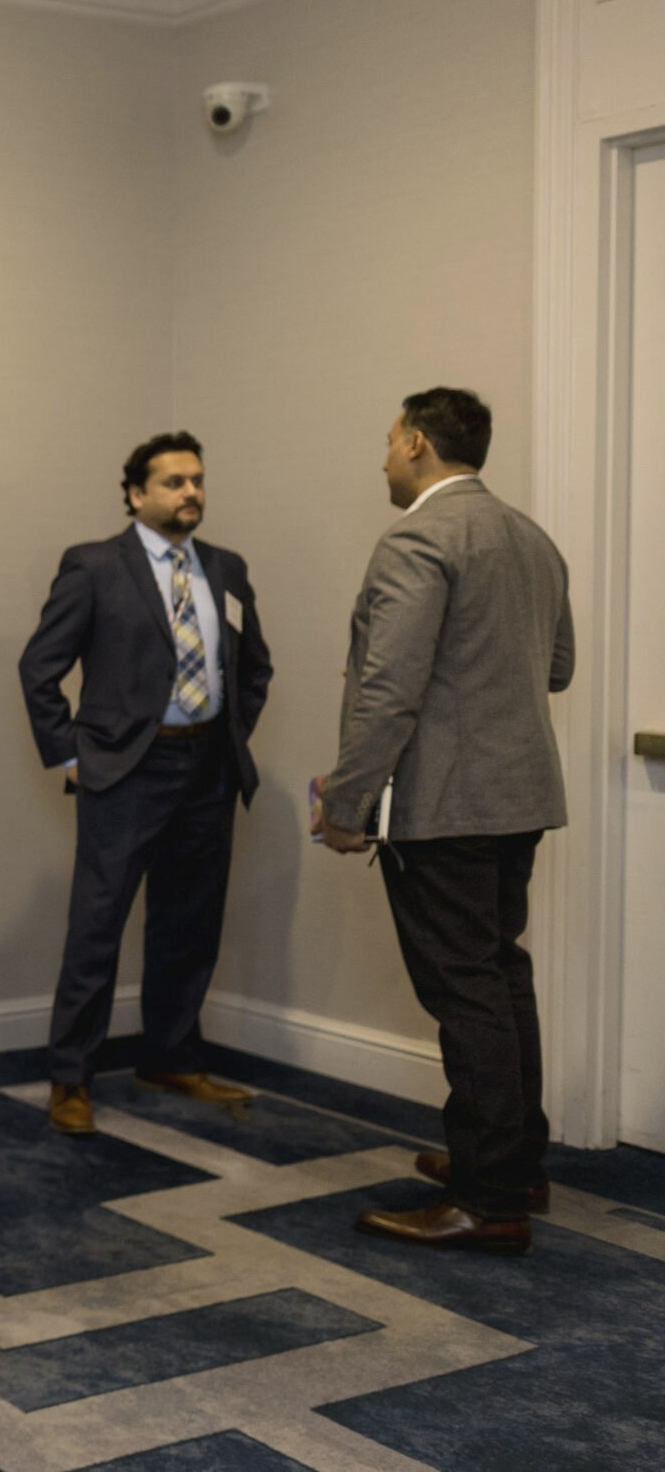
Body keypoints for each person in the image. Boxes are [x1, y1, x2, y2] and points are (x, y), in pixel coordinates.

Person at [315, 387, 570, 1256]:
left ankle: (489, 1200)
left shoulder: (417, 538)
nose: (385, 457)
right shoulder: (532, 538)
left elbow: (389, 689)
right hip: (519, 798)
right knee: (500, 974)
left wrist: (346, 804)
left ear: (419, 443)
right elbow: (558, 667)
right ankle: (514, 1164)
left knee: (467, 991)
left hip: (445, 807)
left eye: (390, 440)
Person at [18, 432, 275, 1135]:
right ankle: (71, 1077)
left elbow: (253, 666)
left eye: (197, 480)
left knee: (189, 920)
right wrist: (71, 756)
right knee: (97, 926)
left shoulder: (225, 567)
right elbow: (39, 667)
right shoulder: (95, 565)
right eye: (173, 482)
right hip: (127, 767)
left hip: (208, 768)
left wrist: (230, 732)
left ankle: (170, 1056)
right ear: (136, 494)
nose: (191, 492)